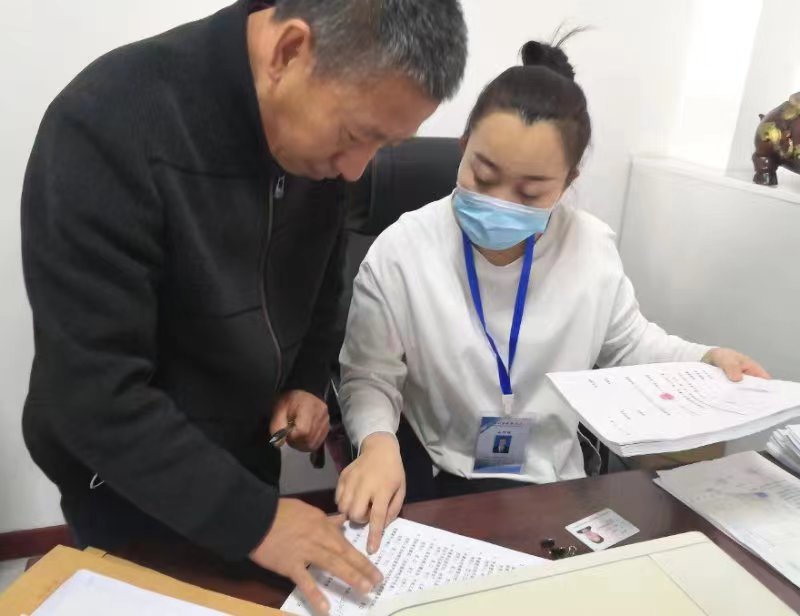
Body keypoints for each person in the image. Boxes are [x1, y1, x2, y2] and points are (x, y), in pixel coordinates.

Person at [20, 0, 467, 612]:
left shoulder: (322, 145)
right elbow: (94, 394)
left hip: (250, 459)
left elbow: (323, 273)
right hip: (129, 482)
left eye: (384, 145)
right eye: (354, 135)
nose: (356, 169)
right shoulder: (105, 126)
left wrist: (306, 378)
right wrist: (255, 520)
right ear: (288, 51)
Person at [335, 37, 770, 555]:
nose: (500, 202)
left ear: (568, 181)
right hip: (443, 475)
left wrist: (704, 358)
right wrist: (377, 443)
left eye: (531, 191)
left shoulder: (591, 248)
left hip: (559, 484)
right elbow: (370, 375)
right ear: (463, 146)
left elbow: (630, 345)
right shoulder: (402, 251)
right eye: (483, 175)